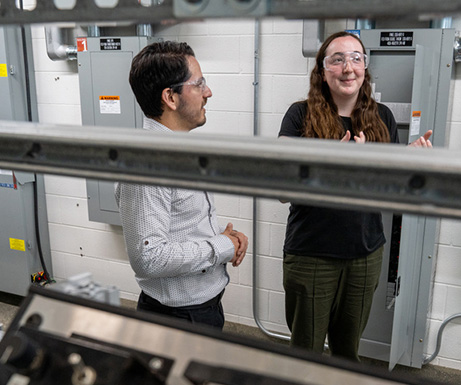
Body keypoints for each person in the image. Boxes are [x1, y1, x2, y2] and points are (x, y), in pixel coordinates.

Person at [278, 31, 432, 361]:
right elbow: (280, 188)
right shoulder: (299, 116)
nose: (349, 67)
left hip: (365, 254)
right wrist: (332, 165)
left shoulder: (382, 118)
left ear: (365, 68)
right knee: (305, 352)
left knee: (348, 353)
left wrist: (410, 164)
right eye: (337, 59)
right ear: (321, 70)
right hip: (312, 253)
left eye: (356, 58)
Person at [116, 41, 248, 329]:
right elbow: (149, 258)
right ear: (171, 98)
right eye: (198, 84)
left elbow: (180, 225)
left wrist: (222, 237)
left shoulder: (177, 149)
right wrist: (221, 246)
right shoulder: (148, 164)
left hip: (201, 308)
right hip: (178, 317)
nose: (208, 92)